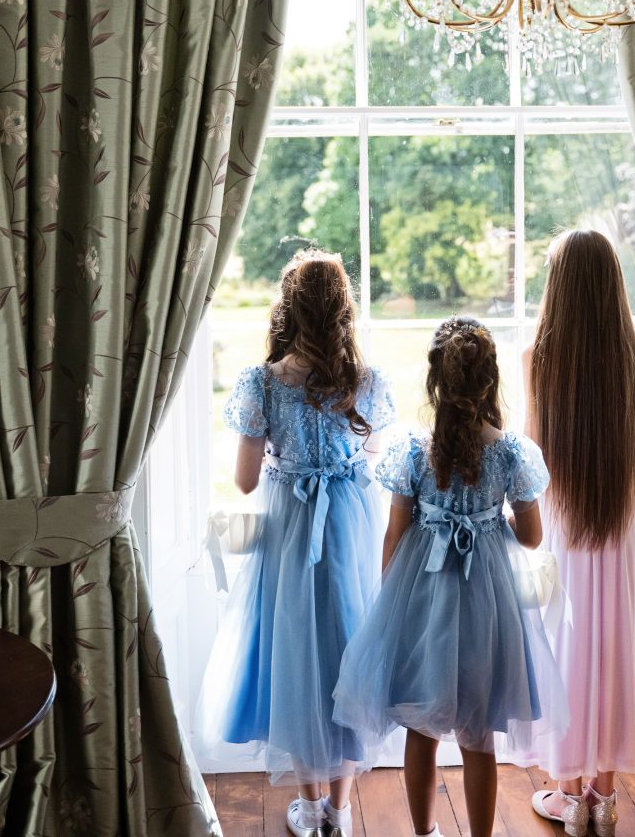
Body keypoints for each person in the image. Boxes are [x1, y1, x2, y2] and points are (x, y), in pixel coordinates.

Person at [333, 317, 567, 837]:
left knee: (421, 726)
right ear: (490, 381)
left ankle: (425, 833)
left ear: (436, 382)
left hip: (423, 597)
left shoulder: (414, 450)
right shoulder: (509, 453)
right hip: (487, 601)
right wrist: (489, 522)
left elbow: (394, 536)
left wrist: (389, 602)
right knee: (478, 734)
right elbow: (531, 536)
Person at [198, 249, 395, 837]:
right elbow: (376, 459)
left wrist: (286, 456)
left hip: (290, 528)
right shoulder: (365, 381)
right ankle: (342, 805)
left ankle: (309, 807)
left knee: (293, 652)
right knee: (349, 649)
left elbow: (244, 479)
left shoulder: (264, 382)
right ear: (343, 312)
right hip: (349, 524)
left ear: (289, 310)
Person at [523, 230, 635, 837]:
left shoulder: (538, 359)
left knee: (564, 650)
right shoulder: (632, 355)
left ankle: (569, 796)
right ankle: (605, 797)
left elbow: (533, 457)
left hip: (565, 521)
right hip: (618, 522)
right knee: (613, 649)